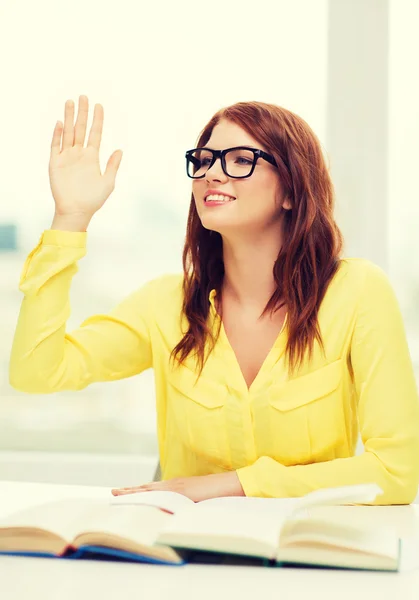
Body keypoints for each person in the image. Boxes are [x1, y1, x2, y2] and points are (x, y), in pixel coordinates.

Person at [9, 95, 419, 505]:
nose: (212, 174)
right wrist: (70, 220)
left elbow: (396, 473)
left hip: (306, 556)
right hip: (189, 557)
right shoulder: (165, 304)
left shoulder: (358, 292)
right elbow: (36, 371)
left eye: (241, 160)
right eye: (204, 160)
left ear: (291, 191)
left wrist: (232, 484)